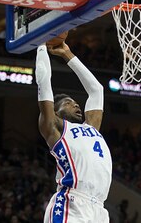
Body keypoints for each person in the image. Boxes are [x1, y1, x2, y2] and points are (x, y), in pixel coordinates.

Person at [35, 34, 112, 223]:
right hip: (72, 202)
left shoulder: (91, 127)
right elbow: (44, 83)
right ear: (55, 110)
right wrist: (41, 45)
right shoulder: (54, 128)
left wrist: (68, 55)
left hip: (99, 209)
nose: (77, 106)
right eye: (69, 103)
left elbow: (97, 90)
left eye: (77, 103)